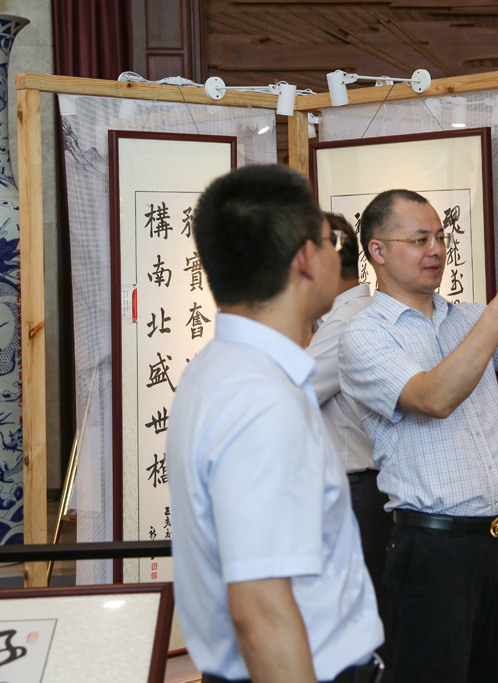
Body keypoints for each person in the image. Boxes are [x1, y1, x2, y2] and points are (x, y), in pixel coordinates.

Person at [338, 189, 498, 683]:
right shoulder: (364, 335)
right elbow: (434, 397)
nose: (436, 249)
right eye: (419, 239)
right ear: (378, 251)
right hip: (434, 550)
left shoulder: (469, 317)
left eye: (440, 237)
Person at [166, 165, 383, 683]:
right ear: (306, 258)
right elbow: (260, 609)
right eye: (330, 241)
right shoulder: (261, 399)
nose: (338, 255)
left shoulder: (222, 369)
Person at [306, 213, 395, 674]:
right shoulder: (345, 317)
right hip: (364, 489)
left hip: (359, 491)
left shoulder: (346, 322)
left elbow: (290, 393)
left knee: (358, 629)